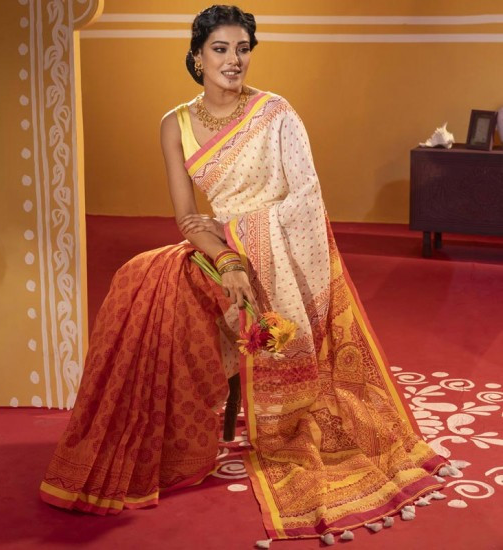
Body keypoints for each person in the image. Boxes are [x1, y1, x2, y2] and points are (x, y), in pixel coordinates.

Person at [40, 5, 447, 540]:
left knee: (206, 294)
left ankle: (271, 414)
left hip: (281, 248)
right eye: (220, 49)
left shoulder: (276, 113)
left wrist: (241, 234)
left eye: (242, 49)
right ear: (197, 57)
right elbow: (187, 218)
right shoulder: (174, 124)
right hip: (220, 246)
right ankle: (172, 435)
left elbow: (305, 199)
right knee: (147, 282)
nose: (233, 60)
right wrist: (227, 256)